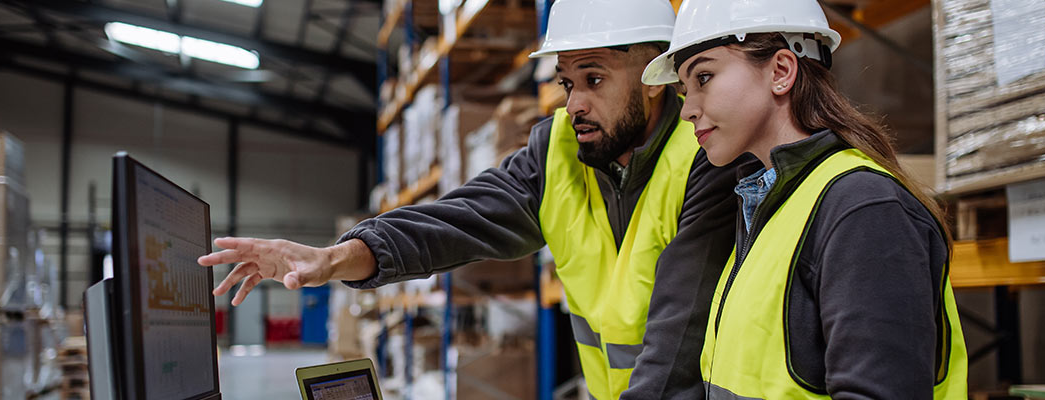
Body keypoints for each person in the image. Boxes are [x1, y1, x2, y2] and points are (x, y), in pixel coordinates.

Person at [198, 0, 753, 398]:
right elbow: (456, 221)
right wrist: (333, 259)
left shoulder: (707, 157)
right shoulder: (556, 149)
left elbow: (677, 342)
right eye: (566, 82)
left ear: (655, 77)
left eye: (594, 78)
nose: (575, 104)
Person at [639, 0, 969, 397]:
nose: (687, 110)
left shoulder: (864, 210)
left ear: (780, 71)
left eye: (704, 77)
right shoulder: (766, 203)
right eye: (683, 89)